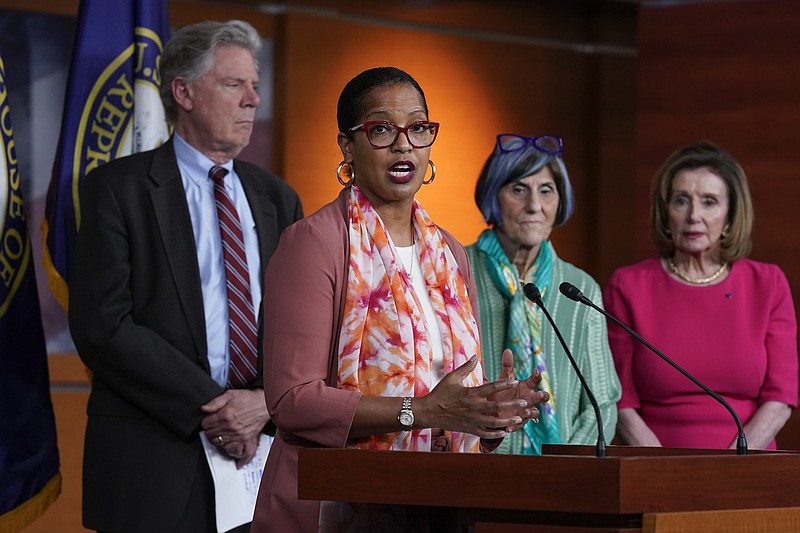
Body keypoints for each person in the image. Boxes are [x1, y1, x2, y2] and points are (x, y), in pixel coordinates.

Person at [250, 67, 548, 533]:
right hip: (339, 503)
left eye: (418, 127)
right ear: (348, 146)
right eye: (382, 128)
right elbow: (292, 401)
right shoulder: (313, 243)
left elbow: (454, 399)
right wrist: (422, 411)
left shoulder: (448, 252)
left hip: (439, 501)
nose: (404, 143)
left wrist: (489, 409)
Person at [68, 20, 303, 533]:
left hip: (258, 460)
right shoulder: (117, 189)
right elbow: (102, 325)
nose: (251, 101)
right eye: (233, 84)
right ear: (183, 92)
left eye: (256, 87)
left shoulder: (277, 198)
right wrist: (219, 409)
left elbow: (302, 327)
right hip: (153, 458)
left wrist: (264, 403)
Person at [604, 142, 797, 450]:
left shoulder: (768, 284)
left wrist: (731, 462)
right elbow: (618, 400)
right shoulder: (628, 286)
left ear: (731, 215)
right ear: (666, 213)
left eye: (709, 202)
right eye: (681, 201)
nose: (694, 215)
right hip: (652, 466)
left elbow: (780, 397)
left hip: (746, 464)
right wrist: (665, 469)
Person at [466, 134, 621, 455]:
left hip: (563, 478)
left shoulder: (579, 288)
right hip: (473, 471)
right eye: (519, 189)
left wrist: (565, 467)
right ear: (493, 196)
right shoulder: (454, 269)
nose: (534, 205)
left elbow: (601, 404)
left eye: (546, 191)